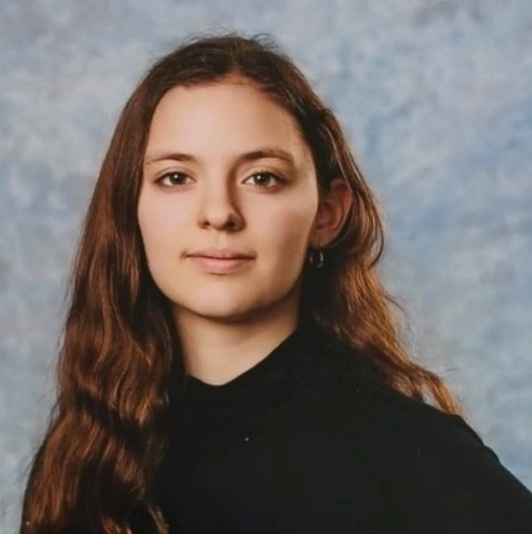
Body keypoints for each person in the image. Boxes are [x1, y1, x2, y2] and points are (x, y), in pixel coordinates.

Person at [20, 33, 532, 534]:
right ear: (130, 208)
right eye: (176, 177)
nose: (218, 213)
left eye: (262, 178)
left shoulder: (413, 455)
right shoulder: (87, 452)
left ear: (327, 214)